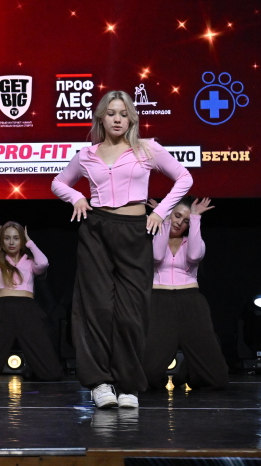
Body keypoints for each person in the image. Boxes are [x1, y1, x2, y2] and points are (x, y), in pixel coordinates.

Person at [52, 91, 192, 409]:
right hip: (96, 230)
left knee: (131, 313)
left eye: (124, 113)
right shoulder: (86, 155)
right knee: (97, 309)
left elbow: (184, 178)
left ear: (131, 119)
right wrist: (76, 197)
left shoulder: (147, 149)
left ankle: (128, 385)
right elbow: (58, 182)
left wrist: (161, 212)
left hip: (134, 231)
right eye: (112, 113)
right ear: (101, 118)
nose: (118, 119)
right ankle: (100, 383)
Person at [143, 197, 229, 390]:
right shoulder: (154, 239)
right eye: (177, 215)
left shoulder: (194, 242)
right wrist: (164, 219)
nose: (179, 223)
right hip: (159, 302)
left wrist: (196, 218)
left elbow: (194, 256)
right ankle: (168, 374)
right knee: (146, 378)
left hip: (191, 302)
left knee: (218, 381)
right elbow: (157, 256)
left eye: (186, 221)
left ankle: (187, 373)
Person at [0, 222, 64, 382]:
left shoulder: (30, 263)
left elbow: (43, 263)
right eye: (6, 238)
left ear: (22, 241)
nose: (11, 242)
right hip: (2, 310)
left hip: (27, 310)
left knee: (52, 374)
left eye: (16, 238)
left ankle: (31, 369)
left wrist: (30, 242)